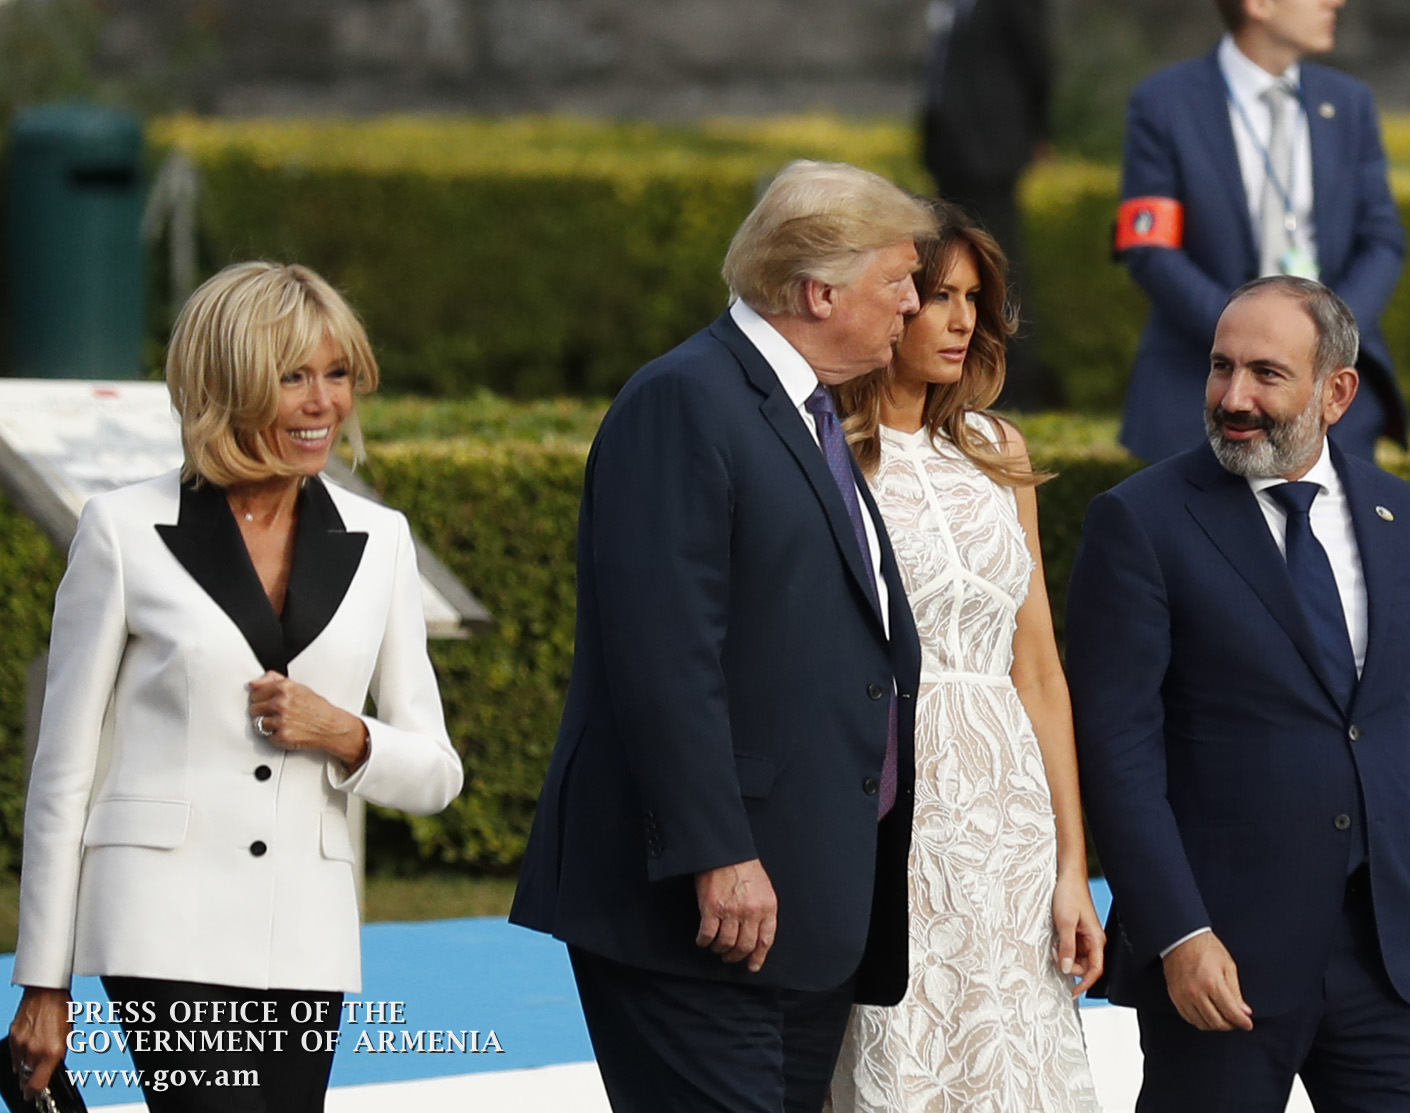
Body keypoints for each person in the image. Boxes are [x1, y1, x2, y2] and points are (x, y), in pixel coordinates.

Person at [509, 161, 933, 1113]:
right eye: (898, 280)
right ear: (820, 291)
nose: (913, 304)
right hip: (702, 912)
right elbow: (664, 654)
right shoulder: (686, 399)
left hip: (801, 909)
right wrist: (717, 852)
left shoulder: (802, 409)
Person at [7, 261, 465, 1112]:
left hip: (308, 932)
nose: (324, 402)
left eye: (337, 373)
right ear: (226, 385)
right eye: (293, 377)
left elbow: (437, 773)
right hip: (158, 918)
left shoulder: (383, 540)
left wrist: (344, 732)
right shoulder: (122, 530)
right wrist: (44, 980)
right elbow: (62, 772)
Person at [1066, 276, 1410, 1112]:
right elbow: (1117, 752)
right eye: (1220, 367)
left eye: (1266, 373)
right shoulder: (1140, 520)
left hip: (1392, 957)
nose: (1234, 397)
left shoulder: (1408, 518)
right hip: (1220, 961)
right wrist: (1179, 933)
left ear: (1337, 392)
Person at [827, 204, 1103, 1112]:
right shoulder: (828, 453)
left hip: (1010, 812)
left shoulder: (996, 449)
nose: (960, 320)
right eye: (938, 295)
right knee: (904, 1049)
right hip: (893, 798)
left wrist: (1072, 864)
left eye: (973, 298)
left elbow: (1040, 670)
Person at [1114, 0, 1406, 462]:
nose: (1334, 3)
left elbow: (1383, 241)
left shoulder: (1349, 102)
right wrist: (1250, 339)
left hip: (1328, 399)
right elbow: (1151, 248)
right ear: (1259, 5)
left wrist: (1325, 339)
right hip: (1195, 394)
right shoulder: (1165, 102)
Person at [922, 0, 1055, 410]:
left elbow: (1037, 60)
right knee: (956, 265)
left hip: (991, 152)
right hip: (950, 153)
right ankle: (962, 381)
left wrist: (1036, 130)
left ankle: (1014, 386)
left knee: (1000, 268)